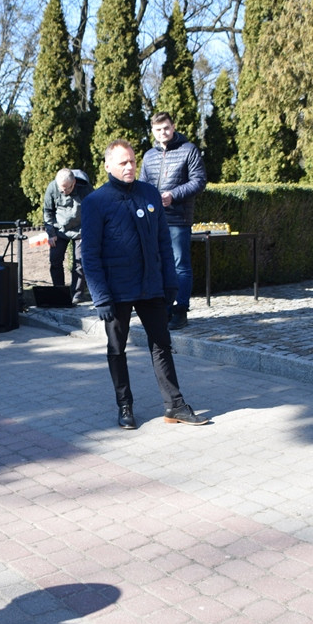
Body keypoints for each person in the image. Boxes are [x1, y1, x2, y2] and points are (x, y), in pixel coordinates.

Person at [80, 139, 210, 429]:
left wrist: (170, 284)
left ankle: (175, 405)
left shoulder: (150, 194)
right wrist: (101, 297)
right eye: (123, 162)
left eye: (132, 161)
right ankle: (124, 405)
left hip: (151, 286)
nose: (129, 167)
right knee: (117, 349)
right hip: (117, 290)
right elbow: (89, 254)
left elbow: (164, 243)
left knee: (162, 344)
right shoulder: (95, 202)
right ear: (108, 166)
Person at [138, 112, 207, 330]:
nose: (163, 133)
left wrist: (173, 195)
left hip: (178, 218)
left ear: (173, 126)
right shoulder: (149, 156)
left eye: (166, 128)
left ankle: (180, 310)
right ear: (152, 131)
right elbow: (142, 185)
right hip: (154, 220)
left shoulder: (189, 150)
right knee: (157, 264)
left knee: (180, 265)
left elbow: (199, 181)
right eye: (158, 129)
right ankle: (164, 309)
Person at [42, 168, 92, 304]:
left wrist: (89, 232)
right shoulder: (52, 187)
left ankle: (77, 294)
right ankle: (59, 292)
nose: (63, 191)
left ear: (74, 183)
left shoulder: (85, 189)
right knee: (55, 260)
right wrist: (51, 233)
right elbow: (48, 211)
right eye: (61, 189)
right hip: (59, 228)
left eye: (67, 189)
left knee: (80, 262)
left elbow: (93, 211)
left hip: (80, 229)